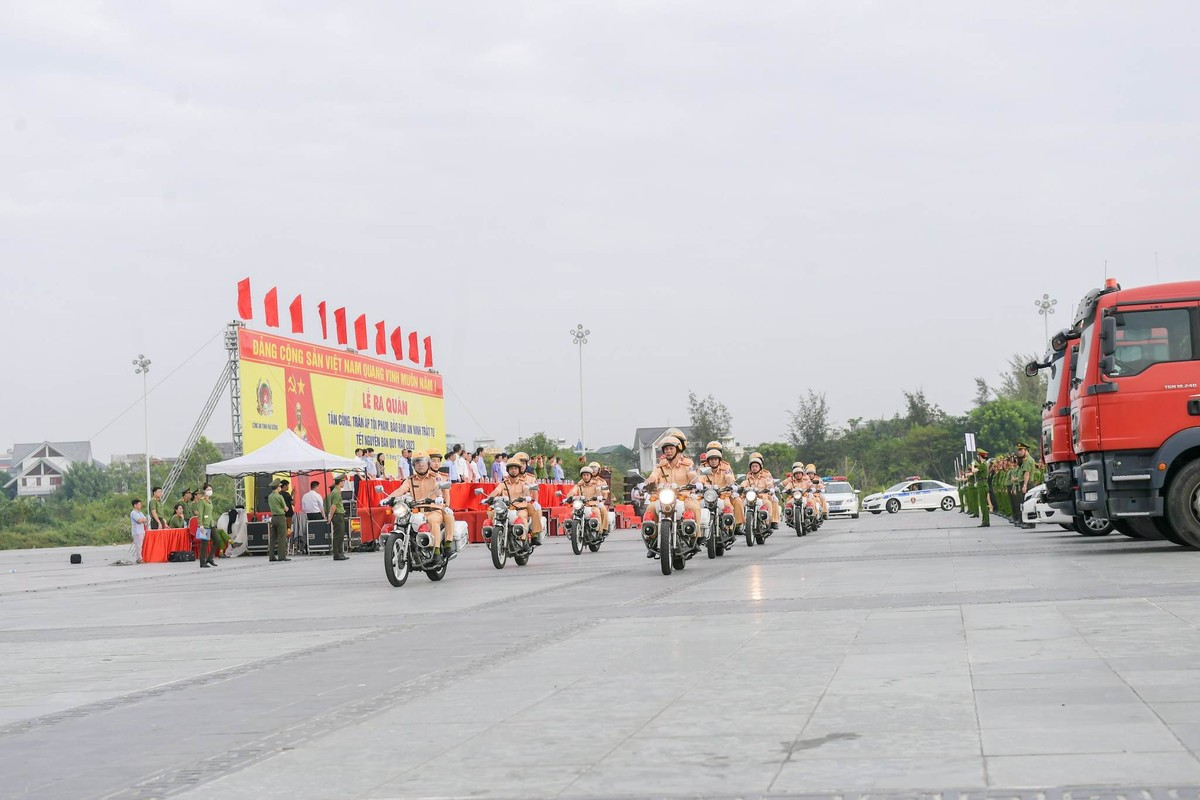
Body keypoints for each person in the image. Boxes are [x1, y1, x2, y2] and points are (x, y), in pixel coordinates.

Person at [388, 450, 455, 558]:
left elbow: (438, 487)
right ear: (413, 465)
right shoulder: (410, 480)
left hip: (433, 510)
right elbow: (401, 489)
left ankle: (436, 552)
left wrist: (439, 498)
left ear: (428, 463)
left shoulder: (435, 477)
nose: (420, 464)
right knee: (402, 521)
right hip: (416, 512)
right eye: (417, 462)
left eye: (423, 461)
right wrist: (387, 498)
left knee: (433, 521)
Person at [642, 435, 701, 556]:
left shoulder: (687, 464)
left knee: (695, 507)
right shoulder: (660, 466)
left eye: (671, 448)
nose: (668, 451)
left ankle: (696, 538)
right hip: (663, 497)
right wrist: (646, 483)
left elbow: (692, 474)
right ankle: (652, 539)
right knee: (650, 508)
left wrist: (697, 483)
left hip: (682, 497)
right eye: (666, 449)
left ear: (678, 449)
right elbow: (653, 476)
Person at [486, 458, 537, 541]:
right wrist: (488, 498)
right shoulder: (504, 483)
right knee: (492, 513)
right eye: (511, 468)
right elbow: (496, 491)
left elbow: (526, 491)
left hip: (519, 508)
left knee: (522, 516)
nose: (513, 470)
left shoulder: (523, 483)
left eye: (515, 468)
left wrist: (526, 496)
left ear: (519, 470)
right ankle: (492, 537)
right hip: (505, 508)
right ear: (508, 470)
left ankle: (524, 540)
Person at [741, 453, 778, 530]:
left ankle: (770, 522)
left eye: (756, 465)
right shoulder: (749, 476)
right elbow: (744, 483)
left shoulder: (766, 475)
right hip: (751, 496)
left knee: (771, 501)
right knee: (740, 502)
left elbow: (770, 483)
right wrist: (740, 488)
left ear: (761, 464)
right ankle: (742, 522)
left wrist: (771, 489)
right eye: (752, 466)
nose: (754, 468)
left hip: (763, 496)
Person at [568, 464, 610, 532]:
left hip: (594, 504)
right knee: (572, 513)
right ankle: (572, 530)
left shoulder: (599, 482)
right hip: (583, 505)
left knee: (600, 512)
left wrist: (601, 501)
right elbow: (573, 491)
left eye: (587, 475)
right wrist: (568, 497)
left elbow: (604, 493)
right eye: (584, 475)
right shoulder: (580, 484)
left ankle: (601, 530)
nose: (585, 477)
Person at [325, 474, 349, 560]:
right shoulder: (336, 493)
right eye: (343, 481)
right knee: (338, 535)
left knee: (341, 534)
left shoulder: (337, 491)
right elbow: (333, 506)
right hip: (337, 516)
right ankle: (337, 553)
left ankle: (340, 552)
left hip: (339, 515)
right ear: (340, 482)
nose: (344, 483)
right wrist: (330, 517)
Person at [267, 480, 290, 562]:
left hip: (273, 518)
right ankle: (281, 556)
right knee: (281, 537)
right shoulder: (279, 496)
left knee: (273, 538)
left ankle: (271, 556)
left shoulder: (270, 496)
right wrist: (287, 508)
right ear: (277, 487)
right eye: (280, 486)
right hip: (280, 517)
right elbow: (286, 508)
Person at [196, 482, 218, 568]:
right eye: (208, 490)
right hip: (204, 524)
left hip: (211, 523)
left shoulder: (210, 500)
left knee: (216, 540)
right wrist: (200, 524)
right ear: (204, 491)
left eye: (211, 490)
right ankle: (202, 562)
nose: (209, 491)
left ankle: (210, 558)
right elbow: (200, 513)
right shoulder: (201, 501)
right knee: (204, 544)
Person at [129, 499, 149, 563]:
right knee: (139, 546)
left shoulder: (140, 513)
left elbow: (146, 520)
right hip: (137, 532)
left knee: (142, 546)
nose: (141, 505)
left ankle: (141, 558)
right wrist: (143, 519)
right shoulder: (133, 513)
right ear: (135, 505)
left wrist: (143, 519)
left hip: (142, 531)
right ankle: (139, 559)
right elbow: (139, 521)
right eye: (139, 504)